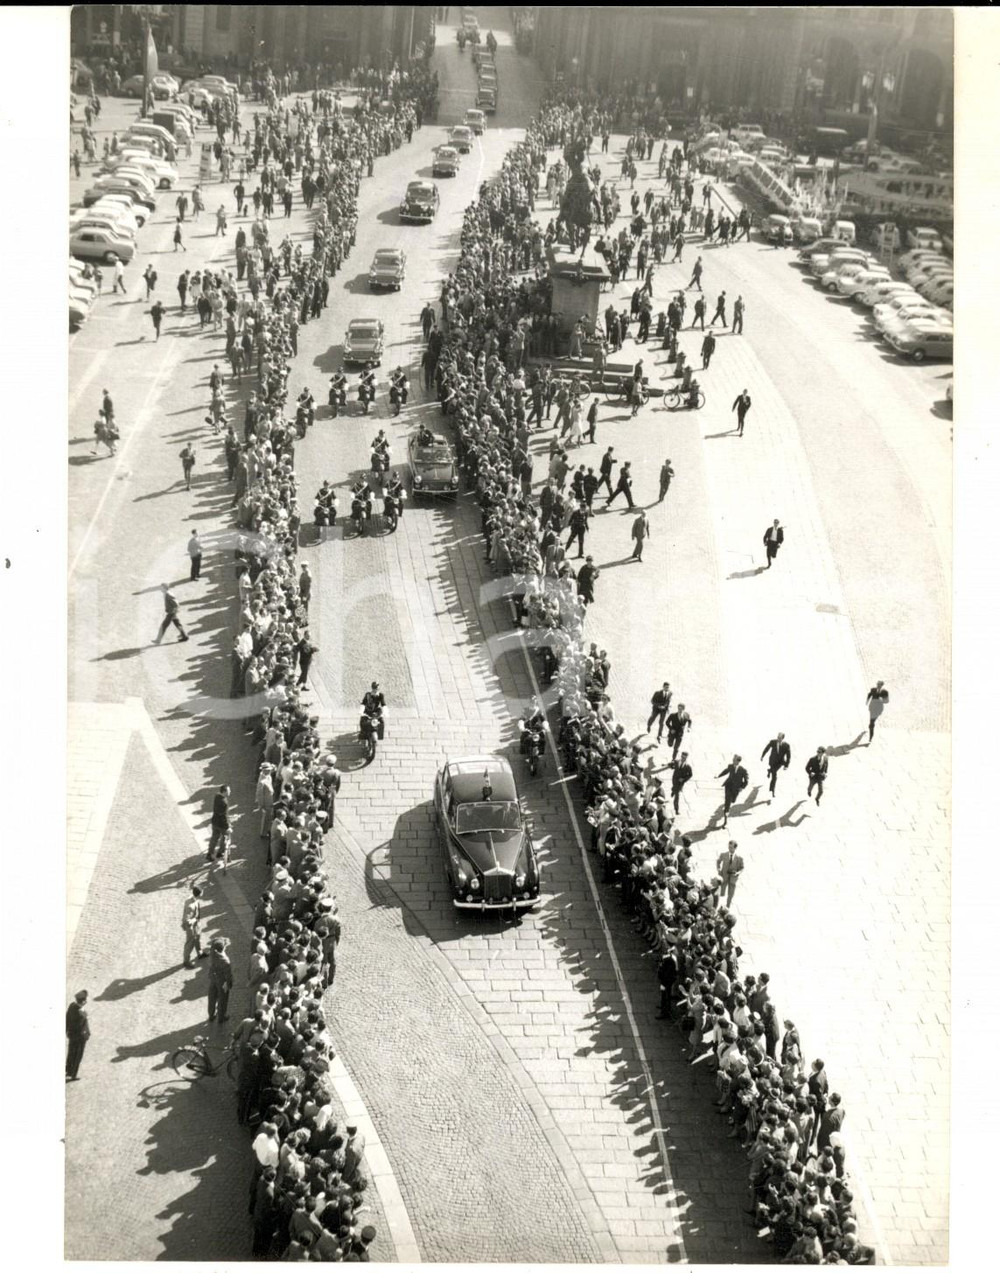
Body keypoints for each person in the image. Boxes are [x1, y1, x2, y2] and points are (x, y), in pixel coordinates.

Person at [717, 754, 749, 825]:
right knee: (727, 801)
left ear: (738, 761)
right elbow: (726, 771)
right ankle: (725, 817)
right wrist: (718, 776)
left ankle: (728, 806)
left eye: (734, 760)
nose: (733, 761)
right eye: (733, 759)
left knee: (733, 800)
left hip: (736, 788)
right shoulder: (730, 766)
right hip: (728, 786)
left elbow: (746, 781)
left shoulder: (743, 770)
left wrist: (742, 787)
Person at [207, 938, 234, 1024]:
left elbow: (213, 944)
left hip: (213, 978)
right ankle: (221, 1017)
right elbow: (228, 975)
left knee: (212, 997)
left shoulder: (212, 954)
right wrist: (229, 984)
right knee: (222, 1000)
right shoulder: (225, 961)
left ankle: (211, 1015)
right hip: (222, 982)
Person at [66, 990, 91, 1081]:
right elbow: (80, 1026)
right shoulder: (81, 1012)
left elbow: (67, 1019)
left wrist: (67, 1031)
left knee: (71, 1053)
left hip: (71, 1035)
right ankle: (73, 1074)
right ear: (83, 1001)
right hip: (80, 1037)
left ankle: (68, 1070)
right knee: (78, 1056)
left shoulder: (72, 1006)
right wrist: (84, 1016)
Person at [183, 884, 207, 966]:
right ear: (199, 894)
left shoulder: (194, 898)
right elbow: (187, 920)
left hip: (196, 924)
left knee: (198, 939)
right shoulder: (190, 906)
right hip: (191, 927)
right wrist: (195, 919)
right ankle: (186, 961)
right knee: (190, 943)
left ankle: (200, 953)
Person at [760, 733, 791, 798]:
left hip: (780, 762)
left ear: (782, 738)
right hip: (773, 761)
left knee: (774, 771)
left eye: (780, 738)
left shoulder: (786, 745)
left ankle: (769, 771)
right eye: (778, 737)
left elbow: (788, 756)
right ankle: (772, 790)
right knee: (774, 776)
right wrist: (762, 756)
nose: (778, 739)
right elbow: (767, 748)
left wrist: (786, 766)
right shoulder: (773, 742)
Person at [716, 840, 744, 907]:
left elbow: (742, 868)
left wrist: (737, 873)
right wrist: (719, 869)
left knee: (731, 894)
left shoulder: (739, 858)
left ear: (735, 848)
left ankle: (728, 905)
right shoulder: (723, 854)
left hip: (733, 878)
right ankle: (718, 904)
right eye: (729, 847)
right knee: (720, 892)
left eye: (731, 847)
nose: (729, 849)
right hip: (724, 876)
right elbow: (718, 862)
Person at [208, 785, 231, 860]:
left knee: (214, 838)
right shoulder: (224, 802)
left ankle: (210, 853)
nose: (230, 792)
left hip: (215, 821)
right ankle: (220, 852)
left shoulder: (217, 796)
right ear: (224, 792)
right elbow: (224, 816)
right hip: (222, 824)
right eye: (228, 790)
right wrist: (228, 827)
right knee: (225, 837)